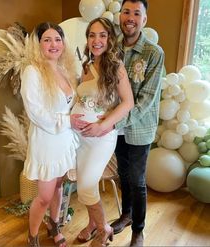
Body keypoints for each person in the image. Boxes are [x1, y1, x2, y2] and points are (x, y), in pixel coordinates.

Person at [20, 22, 88, 247]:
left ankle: (54, 224)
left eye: (57, 39)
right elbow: (36, 113)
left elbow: (71, 103)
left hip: (65, 139)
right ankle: (32, 235)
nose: (53, 44)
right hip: (47, 140)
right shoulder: (32, 72)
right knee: (44, 196)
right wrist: (67, 121)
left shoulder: (65, 69)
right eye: (47, 40)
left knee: (59, 186)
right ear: (38, 44)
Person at [71, 17, 134, 247]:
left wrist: (103, 125)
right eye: (92, 35)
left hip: (100, 138)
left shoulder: (115, 66)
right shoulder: (86, 65)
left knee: (87, 185)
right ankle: (90, 225)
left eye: (102, 35)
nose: (96, 40)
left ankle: (103, 229)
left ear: (109, 39)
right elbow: (82, 98)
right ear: (87, 39)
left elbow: (128, 103)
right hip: (80, 138)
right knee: (83, 185)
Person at [109, 0, 165, 246]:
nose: (130, 17)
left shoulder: (154, 53)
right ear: (120, 16)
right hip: (116, 128)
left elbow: (146, 99)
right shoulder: (113, 49)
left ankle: (138, 231)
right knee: (123, 173)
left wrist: (115, 120)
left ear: (144, 20)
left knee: (137, 179)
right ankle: (126, 215)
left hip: (139, 128)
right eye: (126, 12)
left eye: (136, 13)